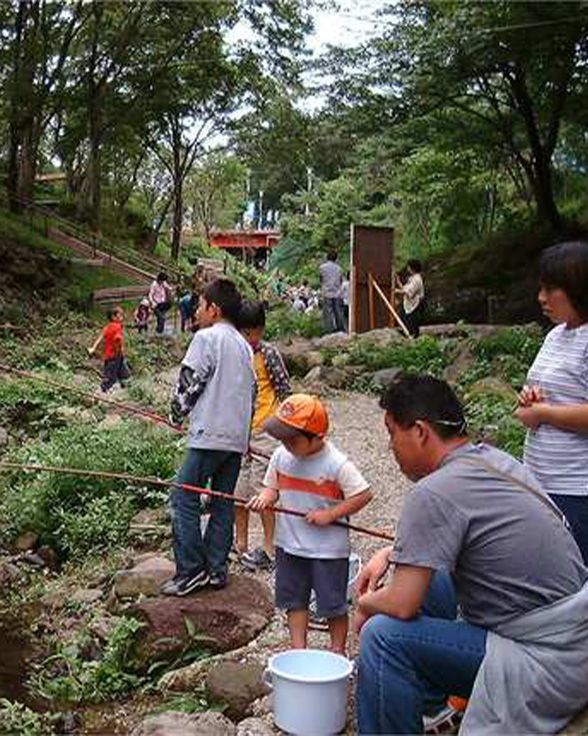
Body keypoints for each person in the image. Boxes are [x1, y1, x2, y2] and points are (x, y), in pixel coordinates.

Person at [354, 374, 588, 734]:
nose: (389, 447)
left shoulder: (432, 491)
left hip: (543, 659)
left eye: (391, 433)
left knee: (382, 638)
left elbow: (402, 604)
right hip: (576, 638)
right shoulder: (493, 459)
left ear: (419, 431)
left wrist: (365, 606)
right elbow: (446, 540)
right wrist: (392, 551)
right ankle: (432, 709)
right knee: (430, 579)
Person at [250, 395, 372, 654]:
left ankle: (338, 652)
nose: (286, 444)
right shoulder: (281, 456)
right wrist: (264, 499)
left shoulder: (336, 463)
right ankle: (298, 651)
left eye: (292, 439)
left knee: (333, 605)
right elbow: (272, 488)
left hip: (328, 550)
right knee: (295, 602)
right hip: (289, 545)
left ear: (317, 436)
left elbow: (363, 494)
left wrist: (331, 515)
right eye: (282, 438)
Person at [161, 278, 254, 596]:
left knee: (182, 495)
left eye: (201, 305)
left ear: (214, 309)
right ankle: (217, 569)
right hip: (235, 439)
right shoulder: (243, 344)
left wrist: (175, 414)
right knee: (222, 501)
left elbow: (190, 380)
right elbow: (251, 392)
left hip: (209, 435)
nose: (197, 311)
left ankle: (190, 571)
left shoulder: (207, 338)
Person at [516, 240, 588, 563]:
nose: (541, 298)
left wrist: (543, 412)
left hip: (576, 486)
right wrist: (531, 399)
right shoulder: (556, 334)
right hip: (540, 477)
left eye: (550, 288)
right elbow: (545, 392)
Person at [235, 301, 292, 569]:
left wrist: (283, 427)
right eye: (242, 333)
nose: (247, 339)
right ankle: (241, 544)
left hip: (264, 432)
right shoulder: (238, 353)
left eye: (251, 333)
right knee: (238, 492)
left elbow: (285, 391)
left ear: (260, 330)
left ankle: (270, 549)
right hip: (239, 433)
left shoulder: (268, 353)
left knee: (263, 492)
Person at [88, 306, 130, 392]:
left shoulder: (108, 327)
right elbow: (118, 339)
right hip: (115, 355)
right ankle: (101, 391)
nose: (122, 317)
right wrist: (120, 349)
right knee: (110, 377)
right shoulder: (117, 327)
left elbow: (100, 337)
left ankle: (124, 388)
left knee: (123, 373)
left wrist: (93, 347)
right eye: (120, 315)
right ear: (113, 317)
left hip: (110, 355)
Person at [394, 259, 425, 338]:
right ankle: (410, 337)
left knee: (412, 323)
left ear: (412, 268)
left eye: (408, 267)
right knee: (406, 320)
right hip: (409, 304)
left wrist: (395, 291)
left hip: (415, 305)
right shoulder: (412, 278)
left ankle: (413, 339)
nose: (407, 268)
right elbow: (404, 289)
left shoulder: (417, 279)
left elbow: (408, 292)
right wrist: (397, 281)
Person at [318, 249, 346, 333]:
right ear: (336, 258)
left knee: (328, 313)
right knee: (338, 312)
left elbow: (321, 279)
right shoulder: (339, 268)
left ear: (327, 257)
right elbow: (340, 281)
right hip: (337, 293)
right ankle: (340, 329)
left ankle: (329, 330)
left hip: (327, 292)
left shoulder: (322, 267)